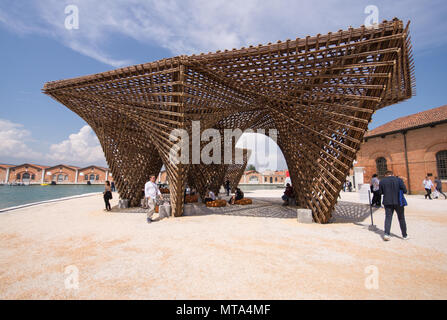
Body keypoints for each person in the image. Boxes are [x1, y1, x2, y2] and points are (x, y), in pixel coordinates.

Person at [379, 170, 409, 241]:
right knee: (401, 218)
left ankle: (386, 234)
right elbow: (405, 190)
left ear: (386, 175)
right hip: (399, 202)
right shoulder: (399, 180)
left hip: (387, 202)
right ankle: (404, 235)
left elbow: (380, 192)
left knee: (388, 218)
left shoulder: (382, 181)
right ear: (393, 174)